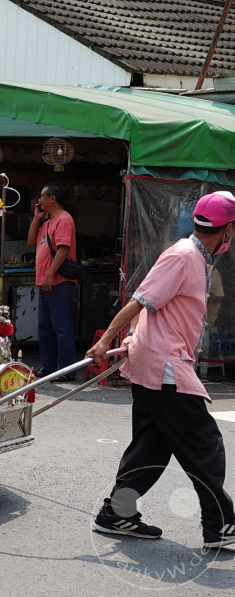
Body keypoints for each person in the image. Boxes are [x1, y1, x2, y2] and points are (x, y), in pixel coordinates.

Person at [88, 191, 235, 549]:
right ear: (228, 229)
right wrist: (106, 339)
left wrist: (133, 339)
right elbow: (142, 298)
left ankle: (116, 513)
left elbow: (158, 309)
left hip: (156, 360)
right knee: (204, 445)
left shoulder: (198, 258)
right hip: (166, 369)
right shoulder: (183, 256)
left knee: (152, 445)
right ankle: (220, 526)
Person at [27, 183, 78, 379]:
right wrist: (37, 218)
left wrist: (49, 274)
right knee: (45, 327)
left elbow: (64, 249)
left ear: (52, 198)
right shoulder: (48, 222)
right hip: (46, 281)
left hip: (59, 281)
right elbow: (31, 240)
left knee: (61, 326)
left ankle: (67, 369)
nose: (39, 200)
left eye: (42, 196)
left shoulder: (64, 220)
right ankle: (48, 366)